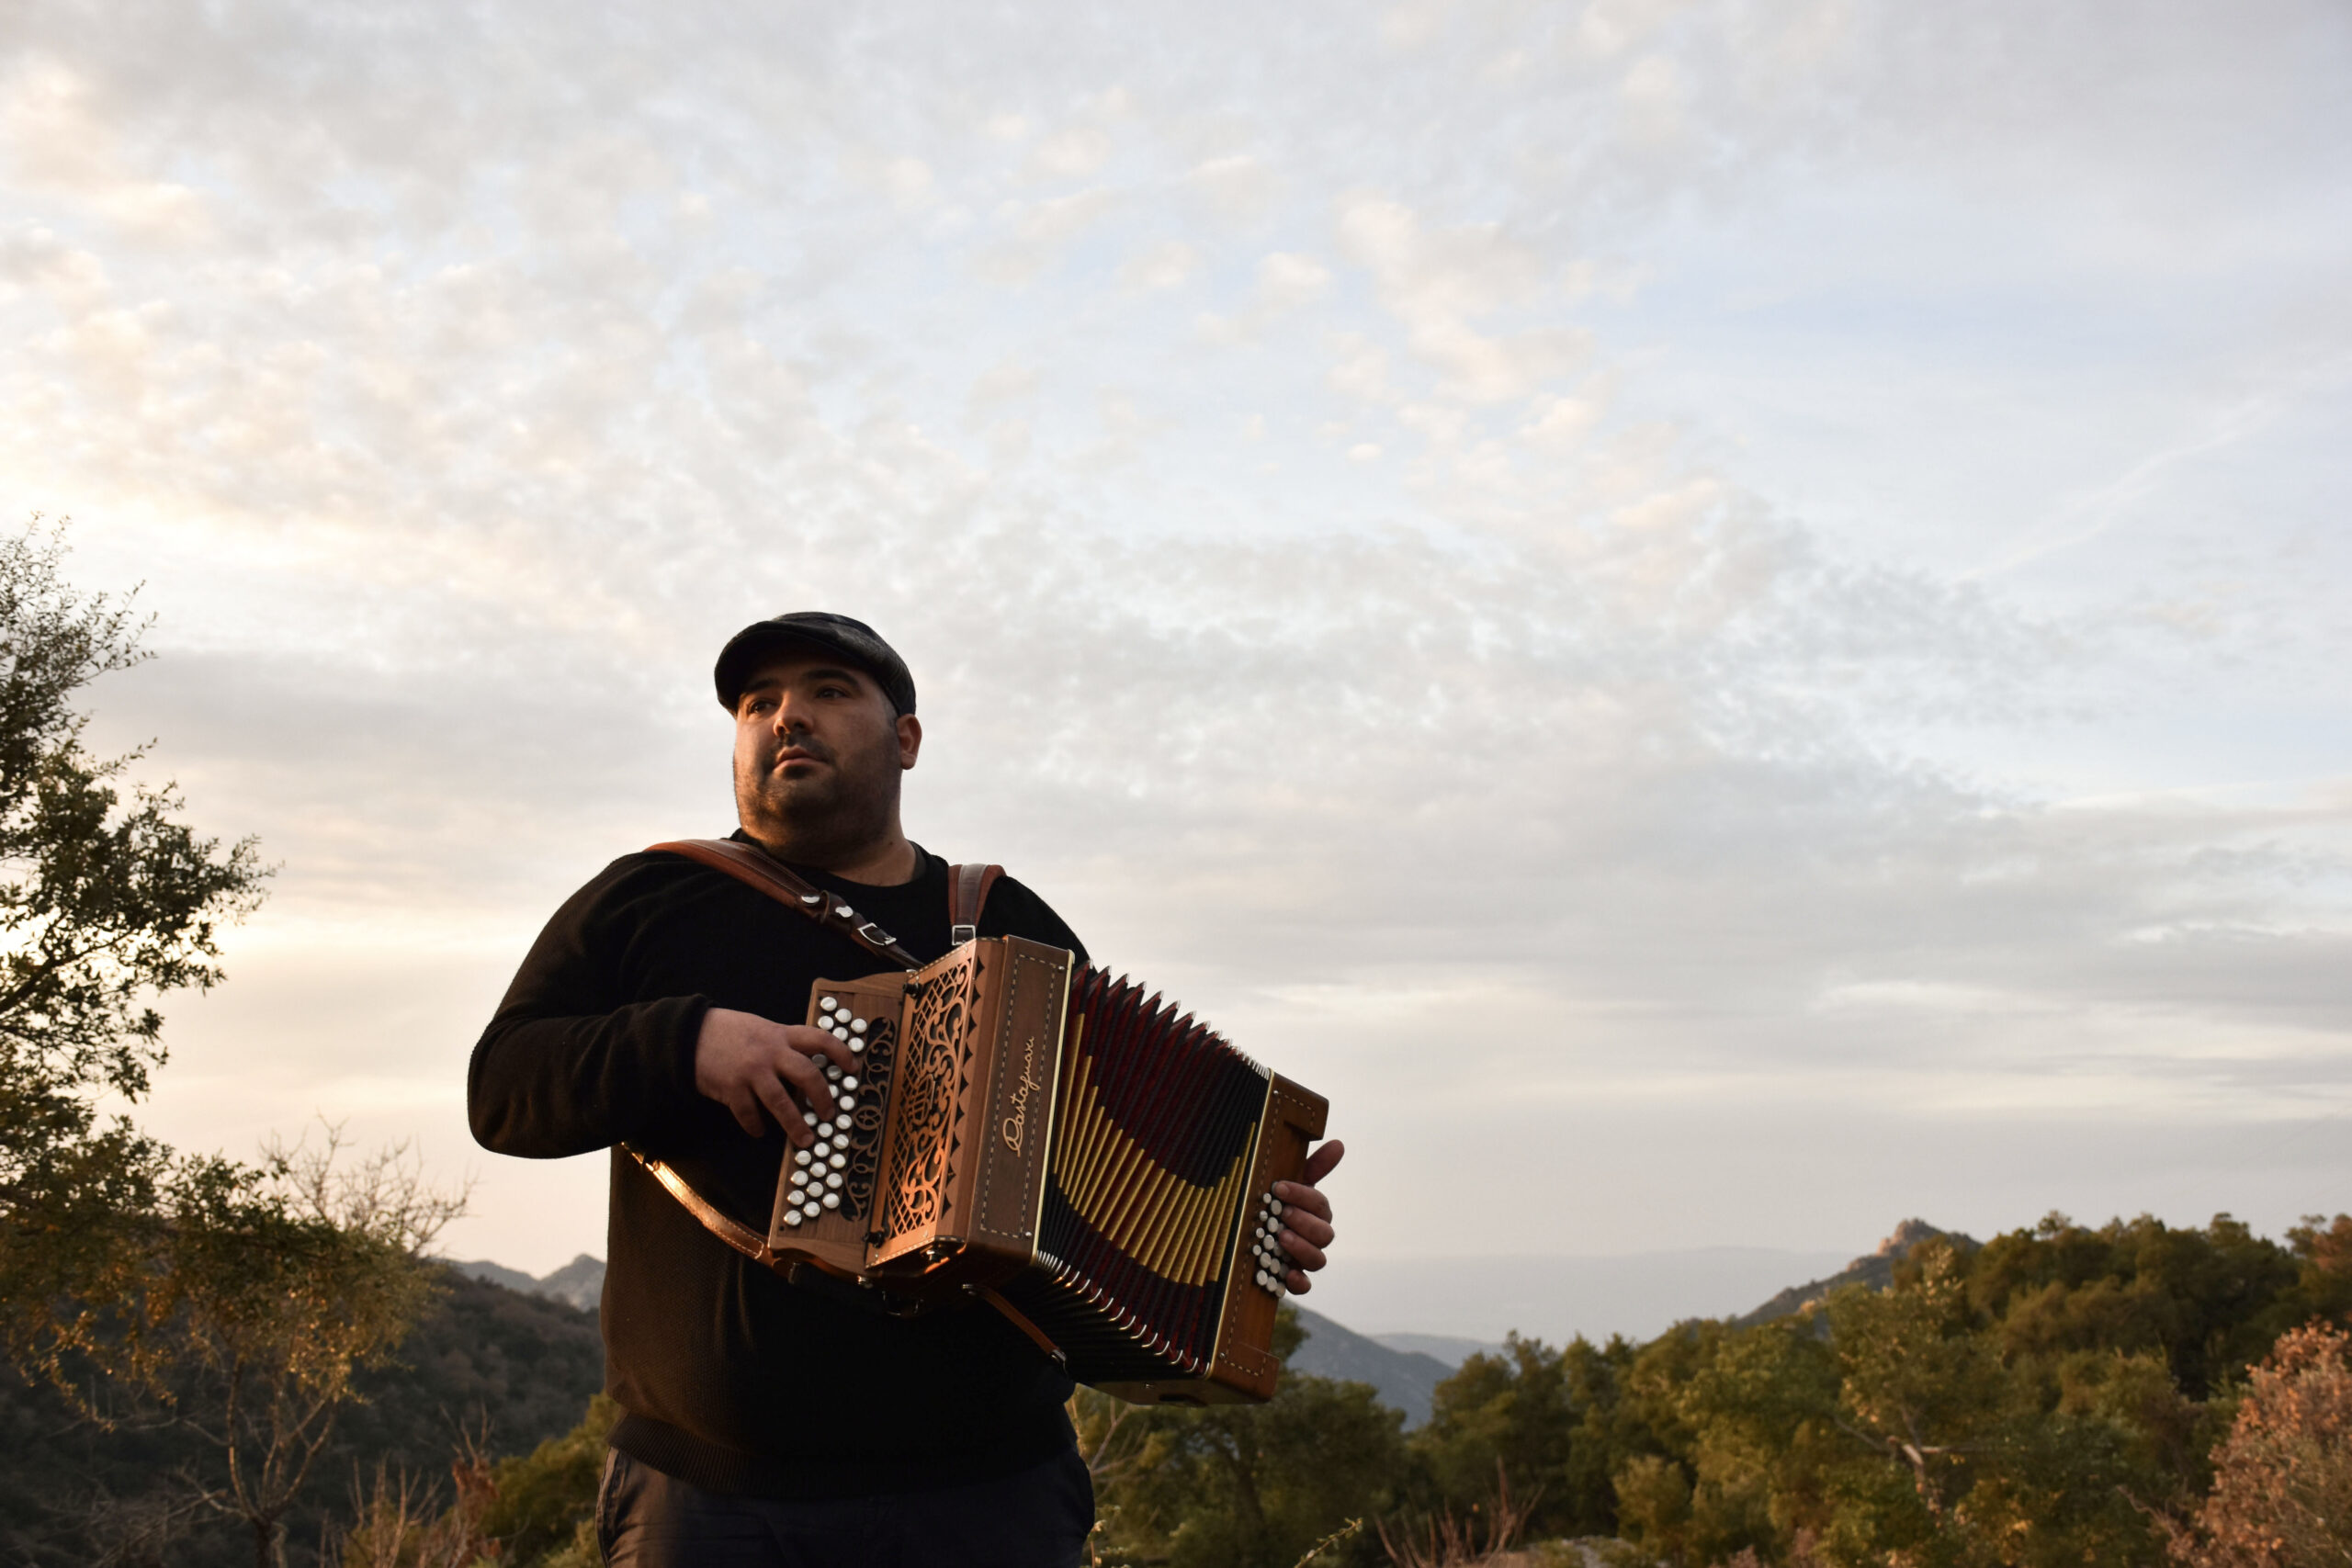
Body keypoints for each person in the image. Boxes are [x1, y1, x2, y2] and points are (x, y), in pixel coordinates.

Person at [469, 612, 1344, 1567]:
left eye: (828, 692)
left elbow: (1110, 1155)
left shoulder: (1004, 926)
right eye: (759, 704)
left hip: (989, 1498)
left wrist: (1247, 1227)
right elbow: (502, 1088)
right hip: (711, 1502)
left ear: (906, 739)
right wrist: (685, 1043)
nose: (786, 717)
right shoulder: (648, 898)